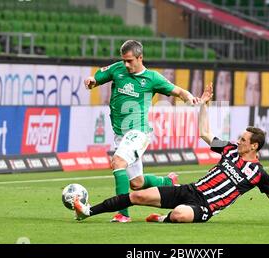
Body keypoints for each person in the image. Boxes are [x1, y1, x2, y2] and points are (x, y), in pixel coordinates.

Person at [73, 83, 269, 224]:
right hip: (189, 190)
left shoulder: (258, 174)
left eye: (243, 140)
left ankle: (162, 219)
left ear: (254, 146)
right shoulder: (229, 150)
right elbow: (205, 134)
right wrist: (204, 106)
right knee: (137, 196)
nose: (238, 141)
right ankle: (87, 211)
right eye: (240, 138)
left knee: (178, 215)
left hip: (205, 207)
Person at [84, 40, 200, 222]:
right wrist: (92, 81)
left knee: (118, 163)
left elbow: (178, 91)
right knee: (136, 183)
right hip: (120, 135)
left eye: (130, 61)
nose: (126, 64)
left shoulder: (153, 78)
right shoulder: (117, 69)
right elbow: (98, 76)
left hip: (138, 133)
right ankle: (166, 182)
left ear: (140, 57)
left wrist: (191, 98)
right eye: (124, 60)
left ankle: (123, 214)